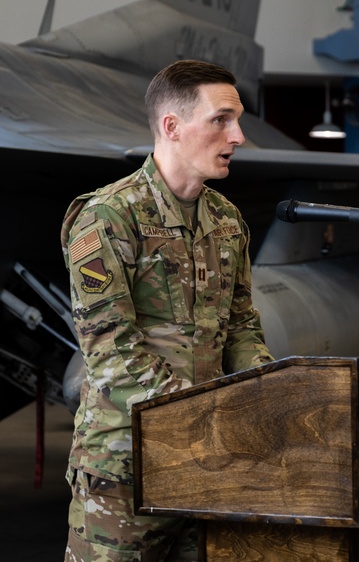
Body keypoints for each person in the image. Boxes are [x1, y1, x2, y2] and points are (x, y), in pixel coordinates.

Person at [61, 60, 273, 561]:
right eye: (221, 119)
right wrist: (211, 417)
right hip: (124, 470)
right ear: (172, 127)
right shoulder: (109, 217)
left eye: (237, 120)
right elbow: (112, 353)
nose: (238, 135)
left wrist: (269, 396)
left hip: (209, 468)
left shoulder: (226, 220)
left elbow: (241, 326)